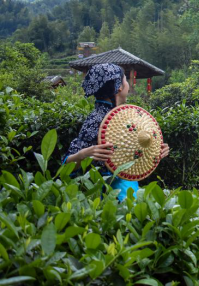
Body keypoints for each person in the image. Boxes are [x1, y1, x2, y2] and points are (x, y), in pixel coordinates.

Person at [64, 63, 170, 201]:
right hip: (105, 195)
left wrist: (154, 151)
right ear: (119, 87)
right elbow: (67, 166)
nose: (128, 85)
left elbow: (130, 155)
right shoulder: (96, 119)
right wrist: (84, 154)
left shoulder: (125, 116)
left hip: (128, 189)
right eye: (125, 80)